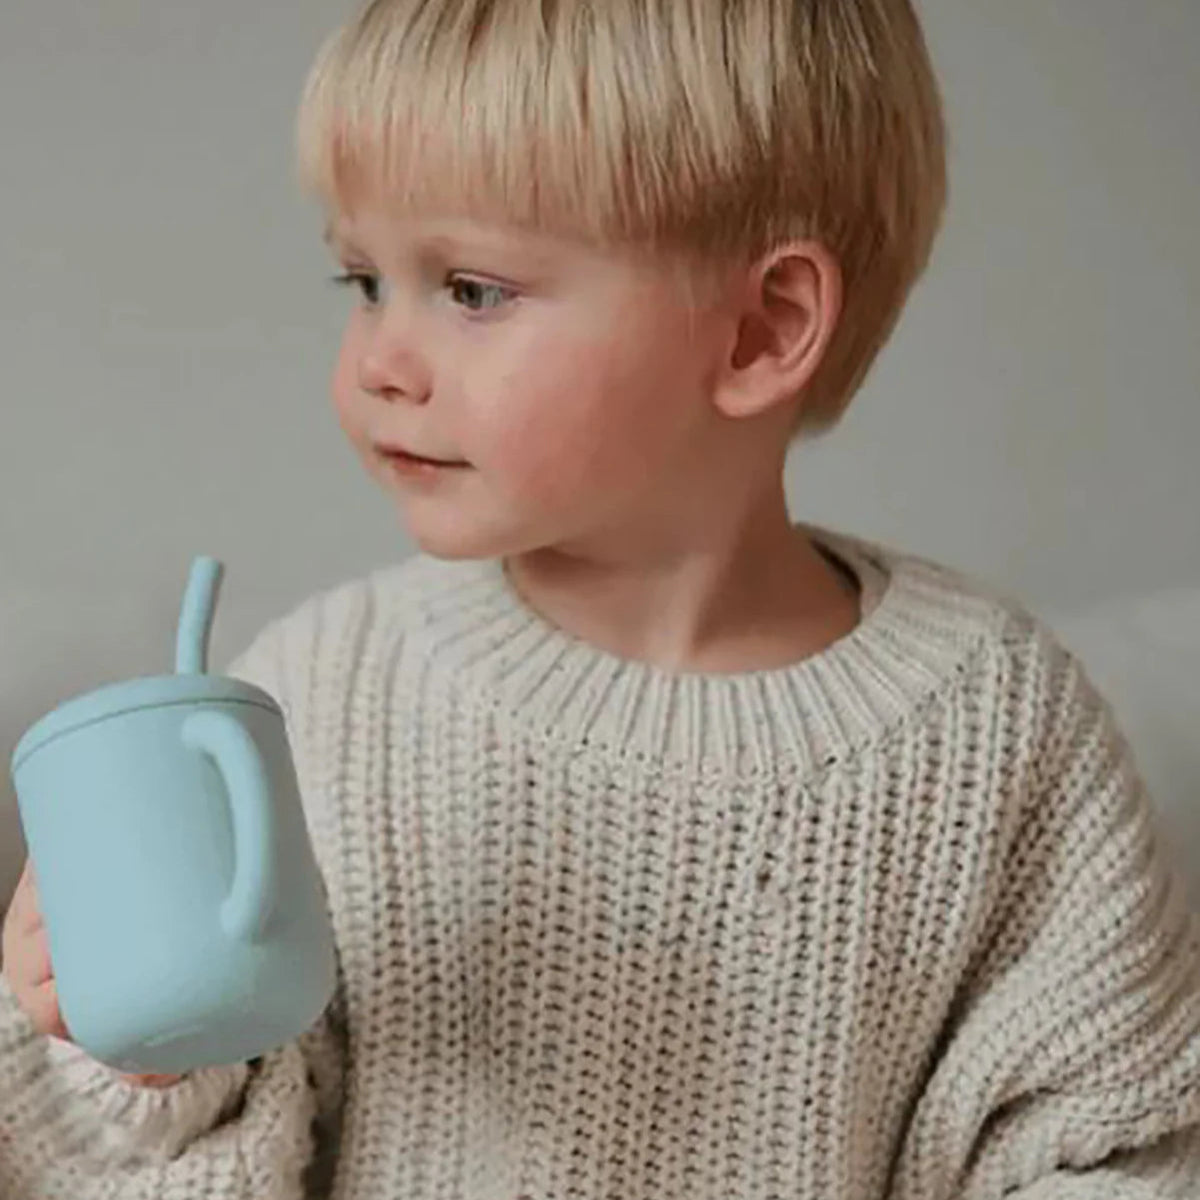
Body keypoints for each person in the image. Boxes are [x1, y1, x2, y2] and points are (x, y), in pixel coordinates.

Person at [3, 0, 1199, 1196]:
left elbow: (1118, 1149)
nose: (379, 359)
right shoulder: (317, 695)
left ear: (759, 330)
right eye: (363, 279)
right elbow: (200, 1152)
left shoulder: (1000, 729)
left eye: (471, 289)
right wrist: (129, 1057)